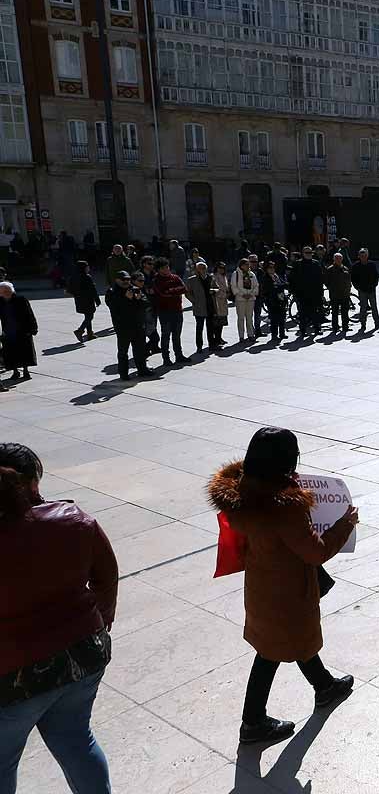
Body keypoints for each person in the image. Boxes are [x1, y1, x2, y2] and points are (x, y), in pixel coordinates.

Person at [206, 428, 357, 745]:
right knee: (274, 650)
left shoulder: (243, 494)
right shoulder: (284, 507)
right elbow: (314, 552)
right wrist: (345, 524)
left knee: (279, 644)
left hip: (263, 583)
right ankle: (253, 723)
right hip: (288, 590)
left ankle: (324, 685)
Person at [0, 443, 118, 793]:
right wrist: (100, 620)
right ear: (32, 483)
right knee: (76, 742)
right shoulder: (72, 518)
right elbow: (106, 575)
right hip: (83, 655)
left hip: (13, 675)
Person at [105, 271, 152, 380]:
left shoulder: (135, 289)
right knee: (123, 351)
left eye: (128, 279)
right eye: (123, 280)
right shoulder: (112, 292)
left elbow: (146, 304)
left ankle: (142, 369)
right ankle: (123, 373)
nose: (126, 282)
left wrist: (139, 299)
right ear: (117, 280)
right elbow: (115, 308)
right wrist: (126, 299)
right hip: (123, 327)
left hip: (138, 325)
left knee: (140, 350)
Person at [0, 282, 37, 382]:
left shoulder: (21, 299)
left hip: (22, 329)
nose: (5, 293)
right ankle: (15, 371)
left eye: (7, 291)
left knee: (24, 351)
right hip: (8, 329)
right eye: (3, 292)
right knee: (10, 352)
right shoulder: (1, 301)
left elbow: (29, 314)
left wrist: (33, 328)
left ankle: (26, 371)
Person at [151, 259, 186, 365]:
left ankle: (179, 355)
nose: (166, 269)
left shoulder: (175, 277)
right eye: (163, 268)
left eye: (167, 267)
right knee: (166, 335)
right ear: (158, 270)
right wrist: (175, 290)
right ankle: (166, 358)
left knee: (177, 335)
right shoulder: (156, 280)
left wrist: (171, 290)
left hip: (177, 310)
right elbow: (163, 293)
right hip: (164, 312)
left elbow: (184, 289)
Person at [290, 247, 325, 338]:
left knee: (315, 312)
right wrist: (294, 292)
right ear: (303, 253)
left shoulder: (316, 263)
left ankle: (317, 329)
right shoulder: (298, 264)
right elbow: (292, 279)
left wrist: (321, 292)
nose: (308, 254)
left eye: (310, 252)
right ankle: (303, 330)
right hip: (302, 293)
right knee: (302, 313)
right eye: (306, 252)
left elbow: (320, 278)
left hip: (314, 293)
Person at [350, 249, 379, 332]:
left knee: (374, 307)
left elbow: (376, 276)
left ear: (367, 256)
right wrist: (358, 288)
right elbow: (353, 279)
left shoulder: (372, 264)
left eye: (364, 255)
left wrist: (374, 285)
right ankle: (363, 325)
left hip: (371, 290)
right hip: (362, 291)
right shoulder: (355, 266)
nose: (363, 257)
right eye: (361, 256)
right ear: (359, 256)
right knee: (363, 308)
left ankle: (377, 324)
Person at [71, 260, 100, 342]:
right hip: (88, 300)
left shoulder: (74, 277)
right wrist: (97, 300)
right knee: (90, 316)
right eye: (87, 267)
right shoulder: (87, 277)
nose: (88, 268)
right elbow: (93, 290)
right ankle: (80, 331)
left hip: (79, 300)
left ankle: (90, 333)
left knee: (87, 316)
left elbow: (70, 289)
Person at [232, 258, 259, 343]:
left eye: (248, 264)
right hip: (240, 299)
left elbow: (256, 285)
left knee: (249, 318)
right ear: (241, 265)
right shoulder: (236, 274)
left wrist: (251, 294)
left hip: (250, 299)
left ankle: (251, 335)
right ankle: (241, 336)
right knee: (241, 318)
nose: (248, 266)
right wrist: (242, 294)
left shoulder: (251, 274)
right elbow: (234, 286)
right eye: (246, 264)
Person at [323, 252, 352, 333]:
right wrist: (331, 288)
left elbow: (349, 280)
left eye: (339, 258)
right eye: (336, 258)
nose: (338, 260)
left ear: (342, 259)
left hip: (345, 294)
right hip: (334, 294)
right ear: (334, 259)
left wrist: (349, 288)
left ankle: (345, 326)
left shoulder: (345, 268)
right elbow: (326, 281)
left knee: (345, 311)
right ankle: (335, 327)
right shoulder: (330, 269)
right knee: (335, 312)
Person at [261, 259, 288, 341]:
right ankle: (274, 335)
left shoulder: (276, 276)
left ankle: (282, 333)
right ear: (266, 269)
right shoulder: (266, 278)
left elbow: (283, 284)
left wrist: (282, 285)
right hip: (272, 300)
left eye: (273, 267)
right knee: (274, 319)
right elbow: (270, 289)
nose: (272, 269)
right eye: (270, 267)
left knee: (282, 318)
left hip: (281, 299)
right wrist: (280, 286)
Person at [211, 261, 231, 347]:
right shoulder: (214, 277)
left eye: (223, 268)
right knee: (217, 322)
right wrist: (224, 294)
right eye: (220, 267)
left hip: (223, 301)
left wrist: (228, 293)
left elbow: (226, 287)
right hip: (217, 301)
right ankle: (216, 338)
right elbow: (214, 290)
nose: (222, 269)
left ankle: (220, 337)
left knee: (222, 321)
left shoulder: (224, 276)